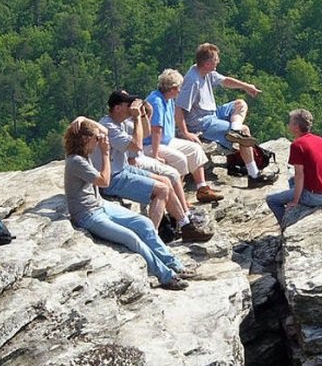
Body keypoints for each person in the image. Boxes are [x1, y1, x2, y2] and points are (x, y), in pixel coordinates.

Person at [63, 116, 191, 291]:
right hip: (87, 214)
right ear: (85, 139)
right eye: (96, 139)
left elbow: (104, 131)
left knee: (144, 223)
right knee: (131, 238)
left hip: (100, 204)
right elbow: (104, 181)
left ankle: (175, 264)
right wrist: (106, 154)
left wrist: (82, 119)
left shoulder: (83, 154)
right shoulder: (76, 161)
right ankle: (166, 277)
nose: (100, 141)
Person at [96, 90, 213, 243]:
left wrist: (143, 115)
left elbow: (145, 133)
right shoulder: (109, 126)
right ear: (117, 108)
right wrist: (137, 118)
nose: (131, 107)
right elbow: (136, 146)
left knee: (166, 180)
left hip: (123, 169)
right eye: (128, 104)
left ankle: (185, 225)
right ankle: (152, 236)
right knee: (161, 190)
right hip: (113, 177)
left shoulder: (121, 123)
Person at [175, 42, 276, 189]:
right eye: (216, 59)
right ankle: (254, 175)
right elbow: (179, 108)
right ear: (208, 63)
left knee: (240, 104)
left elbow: (225, 81)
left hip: (213, 113)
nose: (218, 61)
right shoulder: (192, 81)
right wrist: (185, 132)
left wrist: (246, 86)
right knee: (245, 131)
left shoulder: (205, 72)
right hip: (201, 122)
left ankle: (234, 130)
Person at [141, 68, 222, 204]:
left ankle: (202, 189)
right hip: (151, 145)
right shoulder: (156, 101)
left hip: (166, 141)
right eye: (179, 88)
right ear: (172, 88)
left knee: (195, 149)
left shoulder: (168, 99)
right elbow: (156, 130)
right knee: (180, 159)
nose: (180, 91)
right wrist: (155, 156)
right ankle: (177, 198)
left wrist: (186, 133)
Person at [266, 109, 322, 226]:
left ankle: (286, 224)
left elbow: (299, 175)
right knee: (291, 180)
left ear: (296, 127)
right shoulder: (320, 140)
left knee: (271, 200)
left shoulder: (297, 145)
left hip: (316, 196)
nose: (288, 125)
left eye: (290, 122)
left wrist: (295, 200)